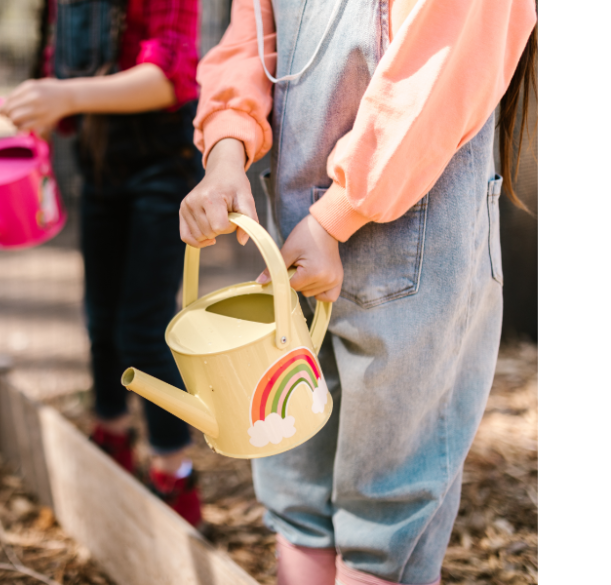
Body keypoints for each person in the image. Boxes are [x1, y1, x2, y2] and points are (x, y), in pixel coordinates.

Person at [180, 0, 536, 583]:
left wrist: (332, 220)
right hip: (298, 240)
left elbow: (435, 80)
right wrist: (224, 155)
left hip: (407, 248)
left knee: (387, 500)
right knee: (292, 462)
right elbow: (249, 40)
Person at [0, 0, 206, 525]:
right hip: (98, 162)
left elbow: (169, 76)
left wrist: (64, 94)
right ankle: (110, 441)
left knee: (144, 326)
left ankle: (173, 475)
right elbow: (59, 67)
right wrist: (40, 108)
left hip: (162, 164)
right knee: (101, 319)